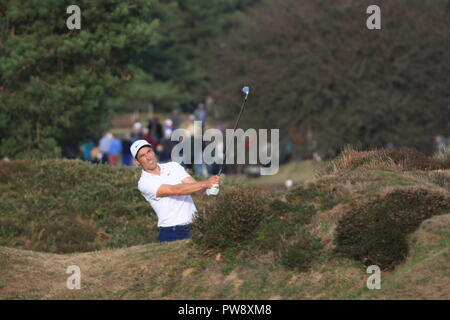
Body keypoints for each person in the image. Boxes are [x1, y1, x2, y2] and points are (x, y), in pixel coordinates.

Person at [131, 139, 220, 242]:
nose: (148, 157)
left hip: (195, 226)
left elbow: (197, 190)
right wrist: (205, 183)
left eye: (149, 151)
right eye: (142, 156)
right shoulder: (144, 183)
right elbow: (175, 190)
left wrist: (209, 189)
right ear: (137, 162)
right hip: (172, 231)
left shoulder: (173, 166)